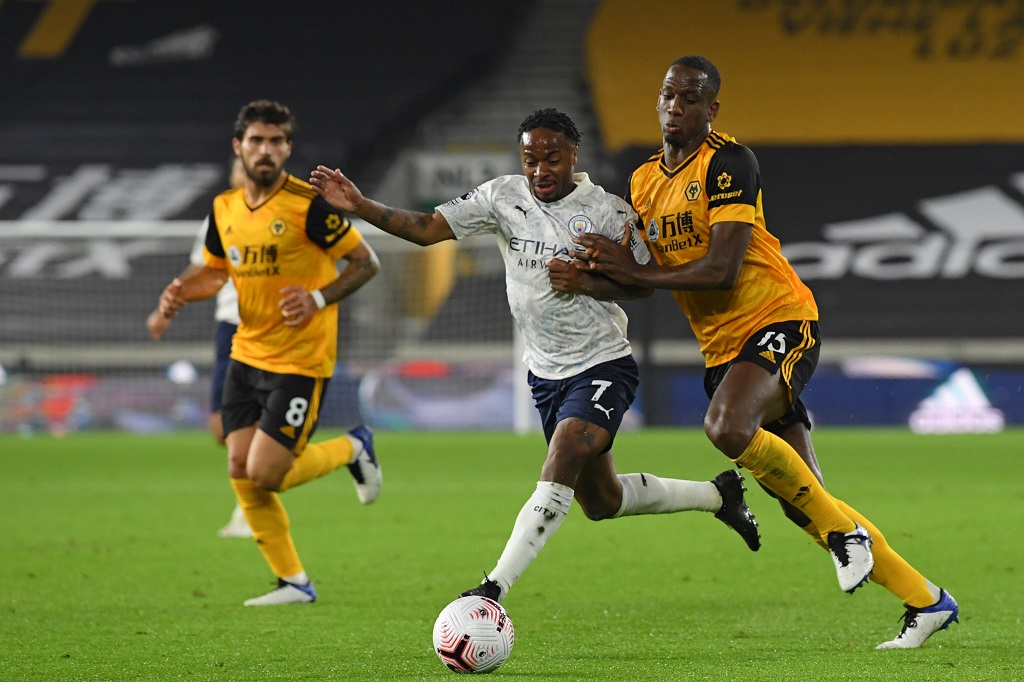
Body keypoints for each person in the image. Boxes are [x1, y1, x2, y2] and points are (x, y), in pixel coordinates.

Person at [572, 56, 958, 649]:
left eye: (691, 99)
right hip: (724, 349)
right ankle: (926, 600)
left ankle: (845, 540)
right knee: (807, 500)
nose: (676, 107)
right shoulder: (645, 181)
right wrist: (591, 278)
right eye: (669, 96)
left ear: (712, 109)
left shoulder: (729, 163)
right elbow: (647, 279)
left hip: (779, 318)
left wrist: (629, 268)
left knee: (725, 427)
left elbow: (723, 270)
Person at [309, 108, 760, 605]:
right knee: (601, 502)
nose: (541, 170)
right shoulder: (502, 197)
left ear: (573, 156)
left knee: (563, 454)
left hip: (603, 364)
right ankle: (720, 495)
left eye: (552, 159)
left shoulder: (609, 211)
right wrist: (358, 204)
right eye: (531, 159)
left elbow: (643, 284)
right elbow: (424, 228)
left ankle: (492, 588)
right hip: (546, 374)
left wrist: (589, 281)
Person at [154, 99, 382, 606]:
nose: (266, 149)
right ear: (239, 147)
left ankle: (353, 447)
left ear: (287, 148)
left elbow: (366, 263)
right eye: (256, 140)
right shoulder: (225, 208)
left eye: (276, 141)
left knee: (266, 474)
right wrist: (179, 289)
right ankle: (294, 582)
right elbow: (215, 270)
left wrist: (318, 297)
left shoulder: (309, 205)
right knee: (239, 467)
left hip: (301, 360)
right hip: (246, 353)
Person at [147, 157, 251, 539]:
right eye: (241, 166)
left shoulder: (285, 212)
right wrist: (167, 304)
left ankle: (248, 512)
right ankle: (344, 451)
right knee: (221, 428)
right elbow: (201, 268)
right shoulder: (222, 214)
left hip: (271, 328)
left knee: (254, 429)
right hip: (229, 324)